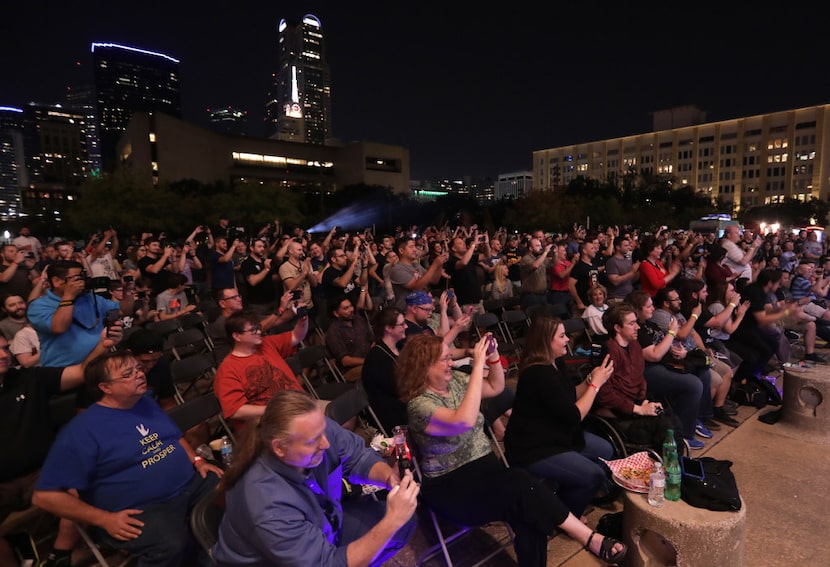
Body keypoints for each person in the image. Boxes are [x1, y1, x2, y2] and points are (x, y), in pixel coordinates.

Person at [398, 334, 627, 566]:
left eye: (449, 358)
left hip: (485, 470)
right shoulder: (419, 405)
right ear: (423, 366)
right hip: (452, 486)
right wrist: (478, 365)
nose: (450, 363)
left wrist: (493, 356)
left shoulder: (455, 381)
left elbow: (496, 386)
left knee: (529, 510)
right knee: (521, 486)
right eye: (444, 359)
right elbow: (463, 421)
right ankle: (589, 538)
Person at [32, 350, 224, 567]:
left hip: (189, 485)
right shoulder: (81, 431)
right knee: (171, 543)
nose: (139, 375)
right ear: (106, 387)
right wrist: (104, 519)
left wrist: (197, 460)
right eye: (127, 374)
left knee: (232, 489)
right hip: (143, 508)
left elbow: (173, 437)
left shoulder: (145, 402)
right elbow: (44, 497)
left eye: (138, 370)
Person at [213, 390, 418, 566]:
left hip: (322, 525)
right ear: (279, 448)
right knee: (394, 524)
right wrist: (392, 520)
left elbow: (356, 456)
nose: (326, 444)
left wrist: (389, 478)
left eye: (323, 431)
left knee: (405, 522)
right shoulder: (266, 502)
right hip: (273, 562)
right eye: (313, 441)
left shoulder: (314, 428)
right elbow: (326, 564)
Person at [0, 328, 119, 567]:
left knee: (84, 483)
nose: (3, 354)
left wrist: (102, 346)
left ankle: (59, 555)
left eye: (4, 348)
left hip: (45, 470)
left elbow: (80, 373)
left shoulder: (27, 378)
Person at [504, 316, 615, 517]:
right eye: (562, 336)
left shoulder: (556, 363)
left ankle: (567, 495)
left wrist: (593, 378)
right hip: (534, 447)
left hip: (556, 433)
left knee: (605, 450)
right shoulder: (538, 374)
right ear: (546, 341)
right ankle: (563, 516)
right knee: (594, 474)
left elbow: (571, 394)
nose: (567, 339)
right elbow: (575, 415)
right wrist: (595, 385)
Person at [625, 290, 706, 450]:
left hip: (665, 362)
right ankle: (684, 436)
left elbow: (666, 344)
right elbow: (653, 355)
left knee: (702, 372)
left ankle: (694, 419)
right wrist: (672, 332)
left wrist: (681, 351)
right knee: (693, 385)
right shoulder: (638, 329)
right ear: (638, 309)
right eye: (648, 306)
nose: (653, 309)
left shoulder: (649, 324)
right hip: (648, 369)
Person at [27, 260, 133, 367]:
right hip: (63, 371)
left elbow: (124, 310)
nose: (83, 282)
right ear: (57, 281)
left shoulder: (90, 298)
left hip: (97, 366)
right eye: (78, 278)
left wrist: (127, 290)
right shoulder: (39, 306)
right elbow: (58, 327)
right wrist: (69, 296)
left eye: (84, 277)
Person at [361, 308, 409, 433]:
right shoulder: (377, 357)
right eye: (402, 324)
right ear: (388, 328)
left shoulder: (399, 346)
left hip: (402, 402)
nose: (406, 326)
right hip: (391, 413)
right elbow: (400, 389)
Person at [325, 295, 374, 382]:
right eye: (346, 308)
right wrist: (368, 361)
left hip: (369, 360)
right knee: (377, 368)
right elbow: (346, 361)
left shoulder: (358, 320)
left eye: (351, 306)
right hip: (351, 370)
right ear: (336, 313)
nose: (351, 309)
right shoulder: (333, 332)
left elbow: (372, 341)